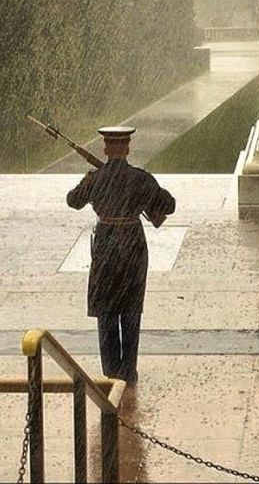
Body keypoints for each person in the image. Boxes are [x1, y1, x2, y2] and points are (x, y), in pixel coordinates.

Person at [67, 126, 175, 384]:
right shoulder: (140, 179)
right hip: (132, 244)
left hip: (105, 245)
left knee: (106, 309)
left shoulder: (96, 178)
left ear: (105, 149)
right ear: (127, 148)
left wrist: (91, 179)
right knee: (130, 309)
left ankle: (111, 371)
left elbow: (73, 201)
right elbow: (169, 205)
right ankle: (129, 370)